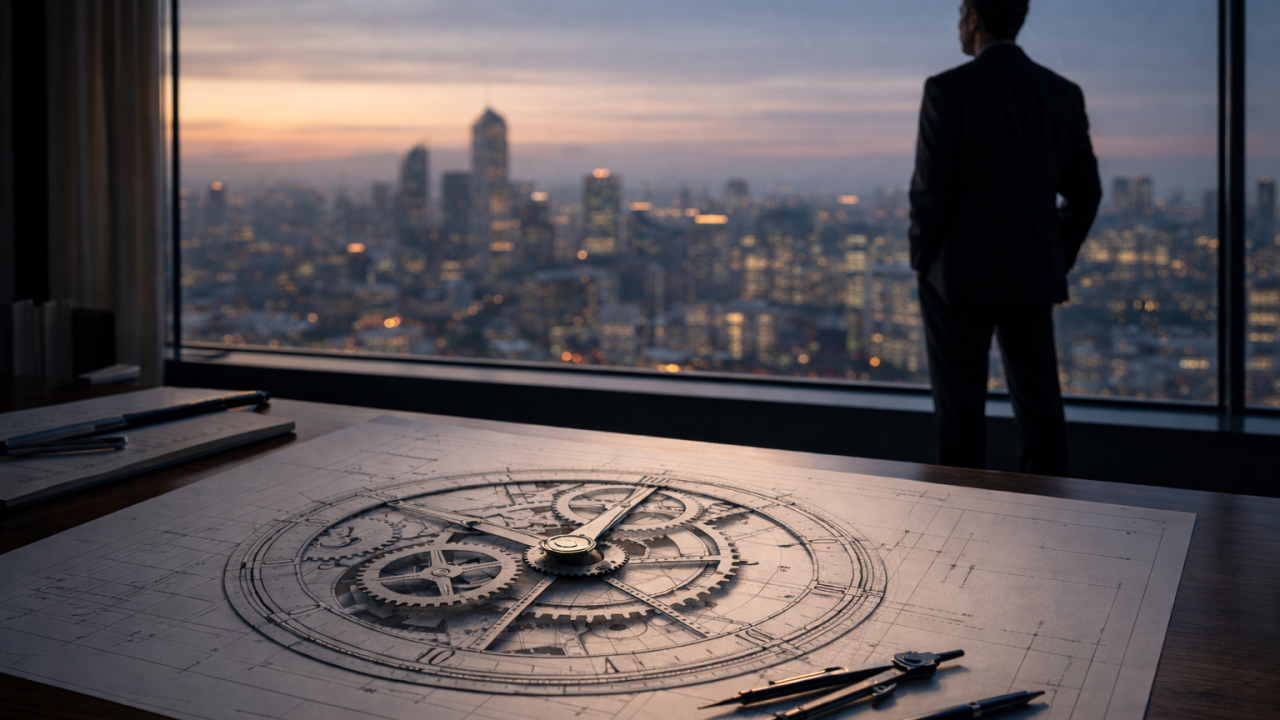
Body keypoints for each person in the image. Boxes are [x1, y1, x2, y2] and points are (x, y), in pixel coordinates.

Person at [908, 0, 1102, 475]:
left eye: (959, 12)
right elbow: (1086, 194)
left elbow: (930, 193)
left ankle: (960, 519)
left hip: (956, 275)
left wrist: (923, 259)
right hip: (1030, 272)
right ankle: (1049, 516)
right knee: (1038, 405)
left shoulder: (947, 90)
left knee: (959, 411)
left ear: (973, 16)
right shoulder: (1061, 94)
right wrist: (1052, 254)